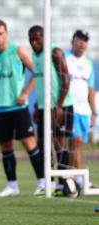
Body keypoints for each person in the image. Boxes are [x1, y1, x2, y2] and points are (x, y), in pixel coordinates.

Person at [0, 19, 45, 197]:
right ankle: (12, 185)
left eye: (0, 33)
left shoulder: (17, 51)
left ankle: (42, 182)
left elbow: (37, 71)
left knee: (29, 143)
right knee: (5, 147)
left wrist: (25, 92)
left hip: (17, 108)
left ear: (6, 33)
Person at [28, 25, 73, 196]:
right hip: (43, 107)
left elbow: (66, 80)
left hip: (60, 105)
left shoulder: (55, 53)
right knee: (42, 145)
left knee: (60, 142)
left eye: (37, 39)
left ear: (44, 38)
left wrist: (60, 105)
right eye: (31, 39)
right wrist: (36, 105)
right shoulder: (35, 55)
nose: (34, 42)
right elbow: (40, 83)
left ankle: (65, 183)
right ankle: (49, 182)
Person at [66, 30, 97, 188]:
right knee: (75, 141)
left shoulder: (88, 64)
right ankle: (76, 177)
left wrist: (93, 111)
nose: (82, 43)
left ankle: (75, 176)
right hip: (70, 108)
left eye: (85, 41)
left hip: (84, 110)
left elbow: (90, 89)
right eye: (79, 40)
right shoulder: (64, 59)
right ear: (73, 40)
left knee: (78, 145)